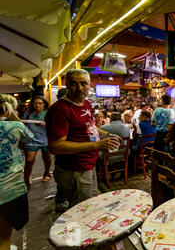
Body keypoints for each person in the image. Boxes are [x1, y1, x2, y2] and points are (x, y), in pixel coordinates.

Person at [45, 69, 121, 208]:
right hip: (74, 170)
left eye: (83, 83)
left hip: (88, 165)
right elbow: (56, 146)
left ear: (89, 85)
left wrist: (106, 134)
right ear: (66, 85)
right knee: (82, 211)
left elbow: (90, 126)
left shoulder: (85, 104)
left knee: (90, 205)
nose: (79, 88)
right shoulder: (59, 110)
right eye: (74, 84)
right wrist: (97, 145)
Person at [0, 94, 34, 250]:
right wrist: (14, 118)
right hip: (9, 188)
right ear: (9, 110)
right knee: (4, 239)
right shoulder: (15, 126)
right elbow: (30, 137)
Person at [22, 96, 52, 188]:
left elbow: (54, 124)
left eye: (39, 103)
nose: (37, 105)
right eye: (35, 103)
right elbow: (23, 123)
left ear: (44, 104)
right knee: (29, 160)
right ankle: (26, 181)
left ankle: (47, 173)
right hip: (31, 140)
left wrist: (46, 124)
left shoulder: (49, 113)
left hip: (45, 139)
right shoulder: (29, 112)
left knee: (47, 158)